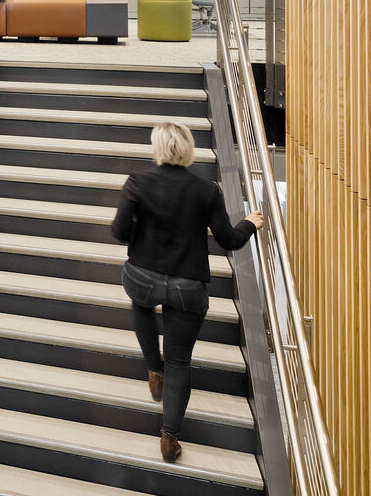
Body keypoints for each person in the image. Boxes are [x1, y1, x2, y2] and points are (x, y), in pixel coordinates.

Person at [111, 121, 263, 464]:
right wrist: (249, 224)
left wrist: (139, 227)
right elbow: (228, 240)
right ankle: (169, 438)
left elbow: (119, 233)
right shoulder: (206, 190)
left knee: (140, 302)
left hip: (143, 278)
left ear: (157, 148)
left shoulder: (137, 182)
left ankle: (154, 370)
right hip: (187, 288)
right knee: (179, 361)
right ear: (189, 150)